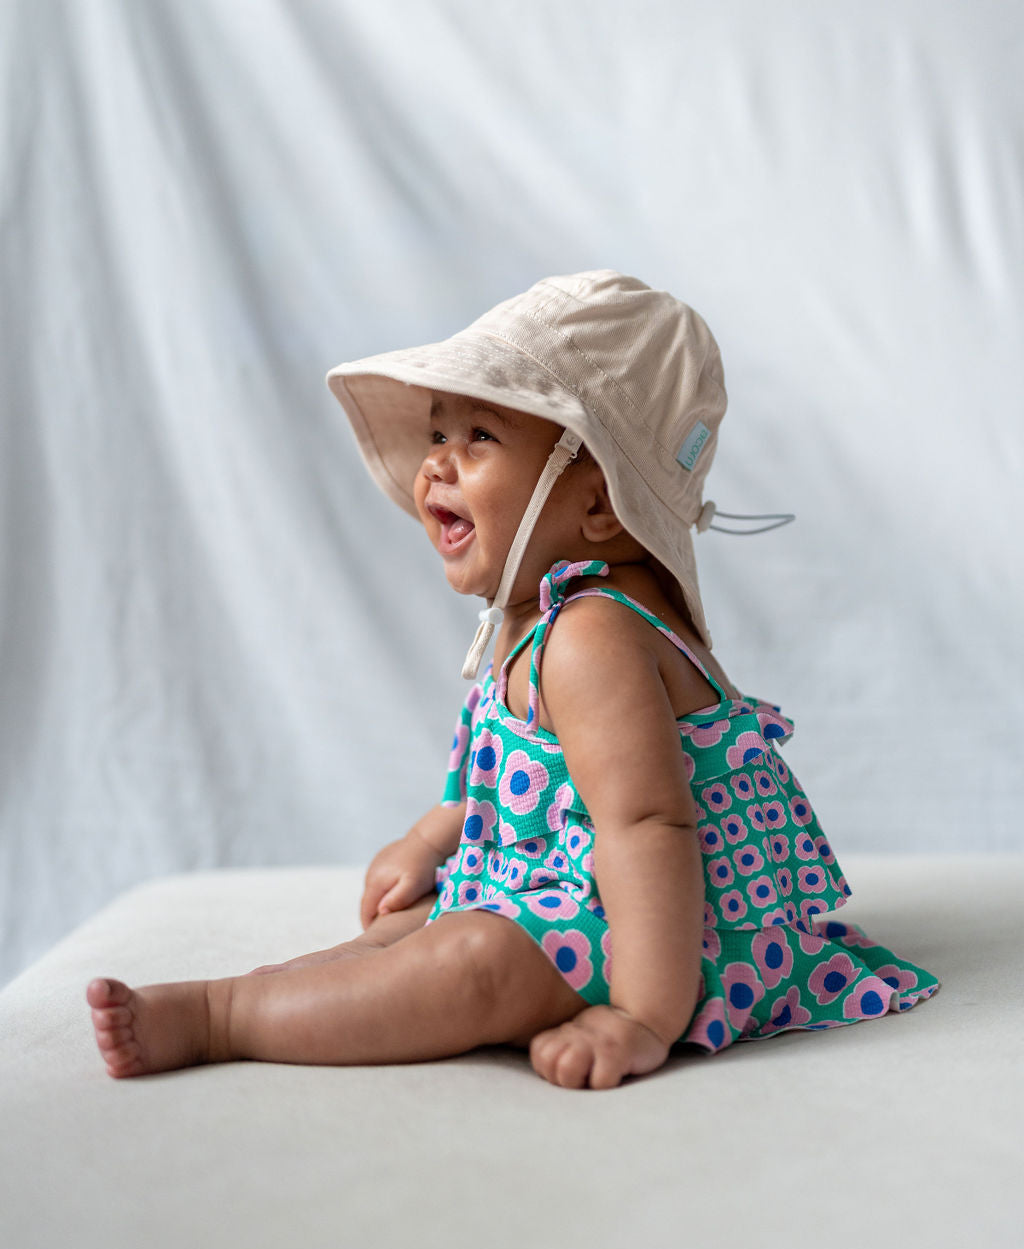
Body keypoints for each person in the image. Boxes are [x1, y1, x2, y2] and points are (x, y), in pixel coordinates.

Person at [87, 270, 939, 1089]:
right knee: (407, 932)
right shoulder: (541, 617)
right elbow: (539, 777)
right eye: (435, 435)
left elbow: (646, 825)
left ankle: (224, 1018)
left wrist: (643, 1014)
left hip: (673, 936)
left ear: (600, 504)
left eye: (479, 437)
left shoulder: (592, 634)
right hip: (571, 892)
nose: (435, 466)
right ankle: (267, 993)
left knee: (472, 963)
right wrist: (433, 841)